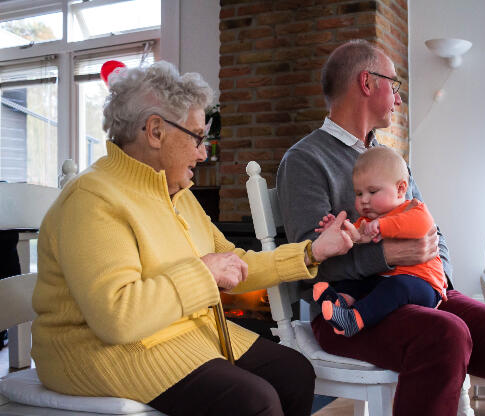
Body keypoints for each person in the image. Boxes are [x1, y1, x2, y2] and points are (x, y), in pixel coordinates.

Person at [31, 61, 354, 416]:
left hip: (183, 334)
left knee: (294, 372)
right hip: (97, 351)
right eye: (198, 137)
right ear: (155, 131)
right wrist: (205, 273)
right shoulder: (93, 200)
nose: (203, 152)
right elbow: (118, 318)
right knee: (254, 402)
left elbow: (234, 262)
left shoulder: (176, 194)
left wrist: (311, 253)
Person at [277, 39, 485, 416]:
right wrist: (387, 255)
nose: (398, 98)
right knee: (446, 335)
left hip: (423, 291)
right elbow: (307, 264)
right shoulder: (305, 160)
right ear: (366, 82)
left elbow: (432, 233)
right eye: (393, 85)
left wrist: (437, 279)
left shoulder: (389, 160)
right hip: (349, 311)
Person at [312, 146, 447, 337]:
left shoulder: (414, 210)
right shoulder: (366, 222)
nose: (364, 200)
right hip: (383, 279)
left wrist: (382, 226)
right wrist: (336, 231)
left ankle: (354, 321)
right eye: (358, 194)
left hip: (422, 286)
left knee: (397, 286)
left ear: (400, 189)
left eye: (372, 192)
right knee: (356, 280)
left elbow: (419, 227)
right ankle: (339, 302)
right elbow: (354, 238)